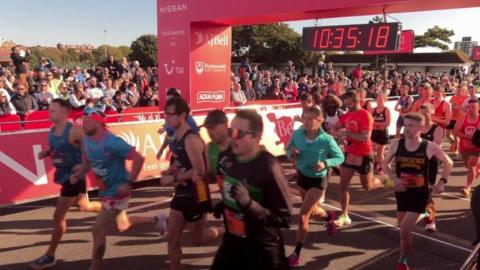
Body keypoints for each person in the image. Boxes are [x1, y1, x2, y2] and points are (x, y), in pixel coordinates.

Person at [71, 107, 167, 270]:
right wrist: (79, 172)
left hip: (118, 192)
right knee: (122, 225)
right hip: (105, 191)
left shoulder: (112, 142)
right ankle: (158, 221)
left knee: (98, 229)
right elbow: (88, 162)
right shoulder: (87, 140)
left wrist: (128, 183)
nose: (83, 125)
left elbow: (138, 158)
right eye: (83, 121)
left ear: (98, 122)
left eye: (87, 122)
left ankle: (95, 267)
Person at [211, 109, 292, 270]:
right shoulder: (232, 157)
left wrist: (248, 204)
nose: (232, 138)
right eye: (230, 131)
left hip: (262, 250)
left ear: (256, 136)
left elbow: (284, 218)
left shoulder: (269, 167)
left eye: (238, 133)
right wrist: (225, 204)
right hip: (233, 243)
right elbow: (236, 193)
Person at [29, 99, 102, 270]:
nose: (49, 113)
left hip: (73, 178)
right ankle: (110, 209)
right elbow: (61, 150)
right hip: (64, 175)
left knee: (58, 217)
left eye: (53, 110)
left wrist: (82, 168)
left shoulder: (75, 131)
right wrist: (47, 153)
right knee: (84, 205)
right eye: (49, 110)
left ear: (65, 112)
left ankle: (50, 255)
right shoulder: (53, 130)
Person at [383, 113, 452, 270]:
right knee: (401, 227)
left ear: (420, 128)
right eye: (405, 125)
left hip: (420, 193)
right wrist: (394, 180)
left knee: (405, 229)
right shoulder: (396, 144)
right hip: (401, 191)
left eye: (411, 125)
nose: (406, 128)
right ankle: (427, 213)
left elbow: (448, 163)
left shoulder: (429, 146)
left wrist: (442, 182)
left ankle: (402, 261)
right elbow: (385, 164)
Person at [161, 98, 221, 270]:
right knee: (172, 237)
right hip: (182, 192)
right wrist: (171, 169)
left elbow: (200, 170)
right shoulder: (177, 136)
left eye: (170, 114)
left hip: (197, 193)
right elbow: (181, 161)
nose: (166, 118)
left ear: (182, 115)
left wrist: (172, 179)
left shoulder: (191, 139)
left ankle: (222, 231)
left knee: (197, 239)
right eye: (165, 114)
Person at [286, 106, 344, 267]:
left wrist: (325, 162)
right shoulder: (297, 134)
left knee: (304, 215)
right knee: (313, 210)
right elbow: (288, 149)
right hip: (302, 177)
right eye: (304, 118)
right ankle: (329, 218)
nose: (306, 121)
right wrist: (292, 152)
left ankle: (296, 253)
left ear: (319, 121)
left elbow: (340, 157)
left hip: (318, 181)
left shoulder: (326, 139)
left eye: (310, 118)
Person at [333, 90, 389, 227]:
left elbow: (365, 137)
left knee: (367, 186)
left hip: (364, 154)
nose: (346, 106)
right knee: (343, 185)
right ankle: (344, 214)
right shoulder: (347, 115)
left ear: (356, 101)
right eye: (345, 103)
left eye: (349, 103)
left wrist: (346, 133)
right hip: (349, 153)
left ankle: (385, 179)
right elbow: (336, 127)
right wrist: (334, 130)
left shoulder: (365, 115)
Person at [419, 103, 443, 232]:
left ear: (431, 113)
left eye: (425, 113)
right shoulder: (416, 127)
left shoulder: (437, 129)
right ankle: (421, 214)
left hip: (429, 164)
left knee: (426, 193)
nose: (423, 116)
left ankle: (430, 221)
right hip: (414, 163)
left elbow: (435, 148)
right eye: (421, 114)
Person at [454, 99, 480, 197]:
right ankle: (477, 168)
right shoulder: (463, 118)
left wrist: (475, 142)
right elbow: (456, 132)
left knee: (471, 165)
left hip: (477, 147)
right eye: (468, 107)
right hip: (464, 147)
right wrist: (468, 138)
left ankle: (467, 187)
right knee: (468, 166)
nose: (470, 109)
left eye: (473, 107)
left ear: (478, 108)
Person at [371, 93, 391, 175]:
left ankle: (384, 169)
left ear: (385, 100)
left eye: (381, 99)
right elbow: (370, 122)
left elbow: (387, 123)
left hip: (382, 133)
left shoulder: (386, 110)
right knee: (371, 151)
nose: (378, 101)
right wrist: (378, 125)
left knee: (380, 153)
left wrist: (376, 124)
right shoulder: (373, 109)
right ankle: (376, 165)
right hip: (374, 132)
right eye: (377, 99)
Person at [448, 85, 468, 157]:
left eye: (460, 90)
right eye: (457, 90)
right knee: (448, 134)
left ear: (463, 91)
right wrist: (455, 107)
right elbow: (451, 106)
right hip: (452, 117)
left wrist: (456, 107)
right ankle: (454, 142)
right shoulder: (453, 97)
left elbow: (462, 108)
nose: (458, 92)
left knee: (456, 135)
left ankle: (457, 149)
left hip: (460, 118)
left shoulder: (466, 98)